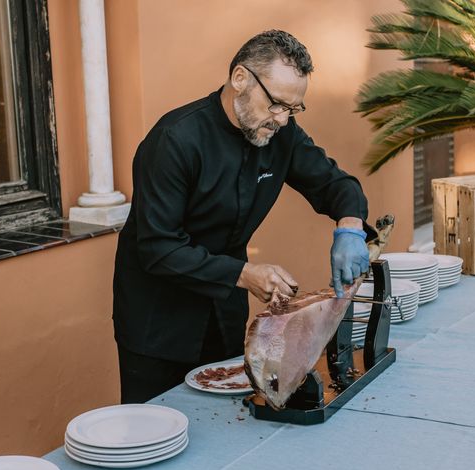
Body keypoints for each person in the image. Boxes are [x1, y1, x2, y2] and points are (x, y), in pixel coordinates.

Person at [113, 30, 373, 404]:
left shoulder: (281, 132)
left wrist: (350, 227)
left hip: (223, 313)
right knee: (155, 428)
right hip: (157, 321)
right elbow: (158, 248)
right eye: (276, 104)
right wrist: (244, 274)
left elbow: (333, 182)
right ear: (239, 79)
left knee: (224, 427)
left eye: (293, 108)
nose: (282, 119)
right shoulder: (174, 140)